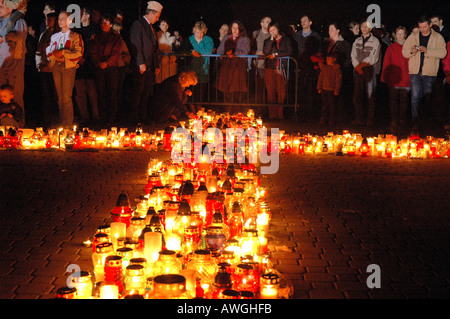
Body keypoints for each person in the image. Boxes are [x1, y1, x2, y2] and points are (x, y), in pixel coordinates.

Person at [402, 16, 447, 126]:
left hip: (429, 72)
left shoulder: (438, 37)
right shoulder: (413, 36)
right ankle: (415, 121)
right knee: (415, 97)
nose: (422, 29)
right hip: (415, 71)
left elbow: (443, 53)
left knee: (428, 97)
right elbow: (404, 52)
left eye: (424, 26)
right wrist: (412, 51)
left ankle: (427, 120)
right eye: (420, 27)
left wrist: (428, 51)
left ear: (430, 25)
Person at [45, 11, 84, 128]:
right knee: (60, 97)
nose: (60, 21)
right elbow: (49, 51)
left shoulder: (75, 36)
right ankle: (62, 122)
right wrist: (53, 56)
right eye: (59, 19)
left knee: (66, 97)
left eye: (63, 18)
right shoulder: (54, 36)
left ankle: (67, 123)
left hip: (68, 68)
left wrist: (63, 53)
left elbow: (78, 53)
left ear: (70, 21)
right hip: (57, 67)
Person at [128, 0, 162, 125]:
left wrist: (156, 64)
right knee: (138, 92)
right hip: (141, 66)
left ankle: (143, 117)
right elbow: (136, 45)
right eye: (157, 16)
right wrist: (141, 63)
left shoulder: (150, 27)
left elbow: (154, 48)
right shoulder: (138, 25)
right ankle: (134, 118)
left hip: (150, 66)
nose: (158, 19)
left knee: (146, 92)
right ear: (152, 13)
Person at [90, 14, 121, 125]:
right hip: (99, 68)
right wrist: (99, 63)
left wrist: (107, 63)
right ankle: (102, 118)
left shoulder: (115, 37)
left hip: (111, 68)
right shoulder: (96, 36)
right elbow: (92, 51)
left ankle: (112, 118)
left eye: (106, 23)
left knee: (112, 93)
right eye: (102, 23)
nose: (103, 25)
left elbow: (115, 53)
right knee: (101, 93)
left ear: (111, 24)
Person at [0, 1, 28, 127]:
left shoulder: (19, 22)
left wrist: (6, 36)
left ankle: (18, 126)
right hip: (1, 65)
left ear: (10, 10)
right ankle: (3, 124)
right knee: (2, 96)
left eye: (1, 7)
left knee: (15, 95)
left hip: (14, 63)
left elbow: (19, 35)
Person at [351, 20, 381, 126]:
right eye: (362, 26)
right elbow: (353, 55)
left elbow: (374, 57)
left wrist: (362, 65)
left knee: (370, 96)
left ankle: (370, 119)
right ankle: (359, 118)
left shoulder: (375, 41)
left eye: (366, 26)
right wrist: (357, 66)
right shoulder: (357, 41)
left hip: (369, 70)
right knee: (357, 95)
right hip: (358, 70)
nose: (364, 28)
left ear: (370, 28)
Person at [216, 20, 250, 111]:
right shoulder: (226, 38)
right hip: (227, 66)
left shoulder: (245, 39)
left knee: (237, 89)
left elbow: (245, 52)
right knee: (226, 89)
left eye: (237, 28)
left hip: (239, 66)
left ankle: (237, 112)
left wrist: (235, 52)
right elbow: (219, 51)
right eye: (233, 28)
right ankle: (227, 111)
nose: (235, 30)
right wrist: (225, 55)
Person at [381, 26, 411, 128]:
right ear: (395, 35)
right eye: (398, 34)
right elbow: (386, 63)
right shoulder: (391, 48)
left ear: (405, 35)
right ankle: (394, 120)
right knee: (393, 100)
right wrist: (384, 77)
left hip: (406, 79)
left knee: (404, 100)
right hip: (394, 79)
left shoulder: (410, 48)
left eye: (402, 34)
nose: (400, 36)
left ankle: (402, 119)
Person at [74, 7, 100, 126]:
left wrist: (85, 57)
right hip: (79, 66)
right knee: (80, 93)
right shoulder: (76, 29)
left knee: (92, 92)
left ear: (87, 15)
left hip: (90, 65)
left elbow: (93, 45)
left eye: (82, 14)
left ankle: (96, 116)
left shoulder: (94, 29)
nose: (79, 16)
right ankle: (84, 116)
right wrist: (78, 59)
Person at [323, 22, 352, 123]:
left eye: (332, 29)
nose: (330, 31)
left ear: (338, 30)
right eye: (329, 29)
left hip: (339, 73)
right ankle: (327, 117)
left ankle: (339, 118)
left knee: (339, 96)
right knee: (327, 98)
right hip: (327, 75)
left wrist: (341, 67)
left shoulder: (345, 44)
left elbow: (348, 59)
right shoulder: (326, 43)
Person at [262, 22, 293, 120]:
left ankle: (280, 115)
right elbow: (266, 51)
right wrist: (271, 40)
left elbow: (288, 52)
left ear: (278, 29)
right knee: (271, 92)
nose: (272, 32)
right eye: (270, 31)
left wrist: (275, 55)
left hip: (281, 69)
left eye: (274, 30)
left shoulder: (286, 40)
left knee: (281, 92)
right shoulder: (267, 41)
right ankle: (272, 115)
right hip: (270, 69)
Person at [182, 21, 214, 109]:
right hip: (191, 69)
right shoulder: (189, 39)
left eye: (201, 33)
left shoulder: (208, 40)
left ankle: (199, 110)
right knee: (190, 92)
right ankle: (191, 111)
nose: (199, 35)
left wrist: (196, 51)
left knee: (201, 92)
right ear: (193, 31)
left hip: (203, 69)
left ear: (204, 32)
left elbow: (209, 51)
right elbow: (183, 49)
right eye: (197, 32)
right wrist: (191, 51)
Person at [35, 11, 59, 127]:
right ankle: (48, 119)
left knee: (55, 95)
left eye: (50, 20)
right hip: (43, 69)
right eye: (46, 20)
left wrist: (49, 66)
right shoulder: (44, 34)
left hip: (54, 70)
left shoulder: (58, 34)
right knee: (46, 95)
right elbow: (38, 51)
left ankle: (56, 119)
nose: (47, 22)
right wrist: (39, 64)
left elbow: (57, 53)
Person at [251, 16, 271, 108]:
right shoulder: (255, 34)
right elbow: (250, 48)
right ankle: (259, 108)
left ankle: (268, 110)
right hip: (258, 65)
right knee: (259, 88)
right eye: (267, 22)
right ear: (261, 23)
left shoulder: (272, 33)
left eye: (270, 22)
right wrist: (256, 53)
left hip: (270, 65)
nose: (268, 24)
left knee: (269, 88)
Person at [156, 19, 177, 84]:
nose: (165, 26)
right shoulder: (157, 35)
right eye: (163, 24)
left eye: (166, 25)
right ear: (159, 25)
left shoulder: (169, 35)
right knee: (162, 79)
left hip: (171, 60)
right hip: (162, 60)